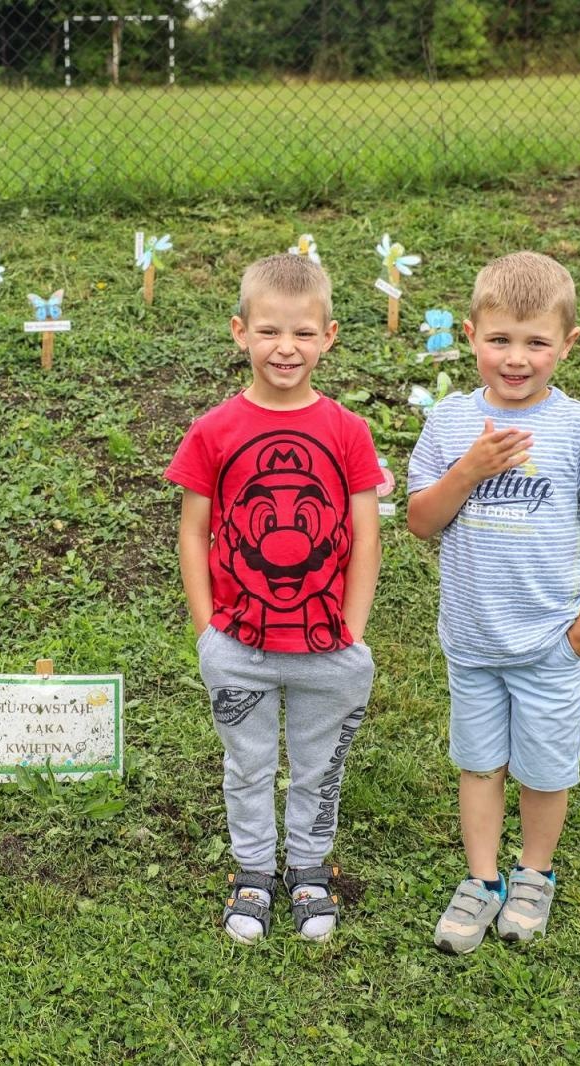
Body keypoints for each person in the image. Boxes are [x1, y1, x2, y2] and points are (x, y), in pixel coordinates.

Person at [406, 251, 580, 952]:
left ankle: (533, 873)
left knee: (543, 769)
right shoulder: (451, 424)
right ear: (472, 334)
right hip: (473, 640)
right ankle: (482, 882)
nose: (516, 358)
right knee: (479, 763)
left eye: (536, 342)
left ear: (566, 345)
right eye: (500, 339)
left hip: (549, 645)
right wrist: (470, 469)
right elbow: (422, 521)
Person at [166, 254, 384, 944]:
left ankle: (311, 870)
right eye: (268, 331)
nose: (284, 347)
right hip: (241, 646)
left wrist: (352, 626)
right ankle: (255, 871)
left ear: (329, 336)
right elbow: (193, 532)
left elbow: (365, 536)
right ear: (239, 332)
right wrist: (208, 631)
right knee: (249, 765)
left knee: (320, 767)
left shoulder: (348, 431)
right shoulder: (213, 430)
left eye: (301, 332)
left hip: (327, 647)